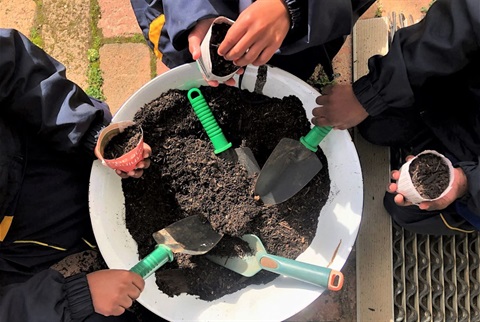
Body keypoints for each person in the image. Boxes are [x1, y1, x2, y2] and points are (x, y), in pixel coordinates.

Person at [0, 28, 153, 321]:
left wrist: (89, 134)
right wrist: (72, 298)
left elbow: (14, 66)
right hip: (13, 275)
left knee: (144, 173)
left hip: (32, 158)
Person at [311, 0, 480, 235]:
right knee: (374, 125)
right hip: (458, 98)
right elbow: (464, 20)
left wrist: (465, 182)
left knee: (403, 211)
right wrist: (370, 95)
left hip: (472, 167)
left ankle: (463, 209)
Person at [130, 0, 376, 85]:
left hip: (308, 25)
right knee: (189, 58)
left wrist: (293, 7)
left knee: (288, 68)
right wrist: (196, 12)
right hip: (187, 15)